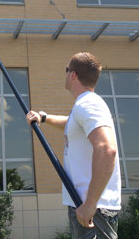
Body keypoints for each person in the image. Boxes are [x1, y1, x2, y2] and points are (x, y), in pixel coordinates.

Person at [26, 52, 121, 239]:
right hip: (88, 206)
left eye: (66, 69)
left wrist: (90, 204)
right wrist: (44, 118)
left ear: (73, 75)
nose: (65, 73)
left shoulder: (89, 105)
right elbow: (71, 123)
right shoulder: (83, 107)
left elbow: (107, 150)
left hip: (94, 209)